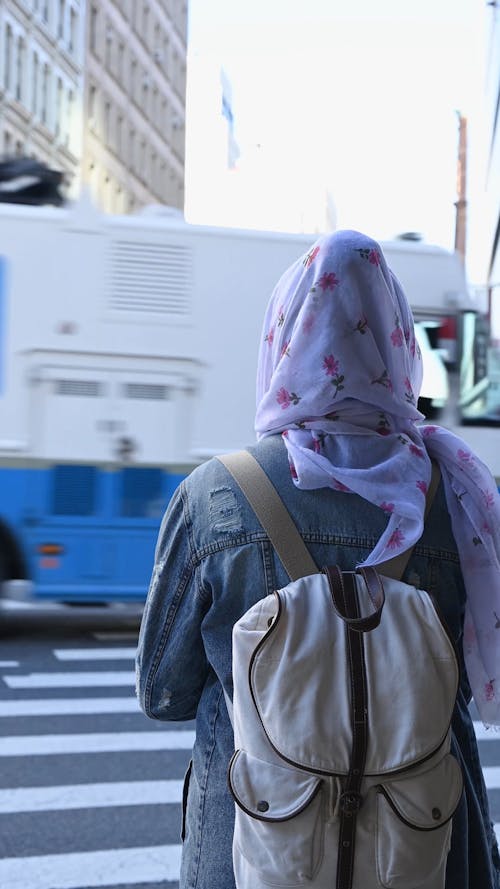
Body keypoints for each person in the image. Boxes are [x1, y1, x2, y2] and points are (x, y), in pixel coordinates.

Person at [136, 229, 500, 889]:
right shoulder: (462, 498)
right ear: (398, 342)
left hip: (251, 849)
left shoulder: (214, 495)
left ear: (283, 340)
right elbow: (470, 682)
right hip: (428, 847)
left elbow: (161, 691)